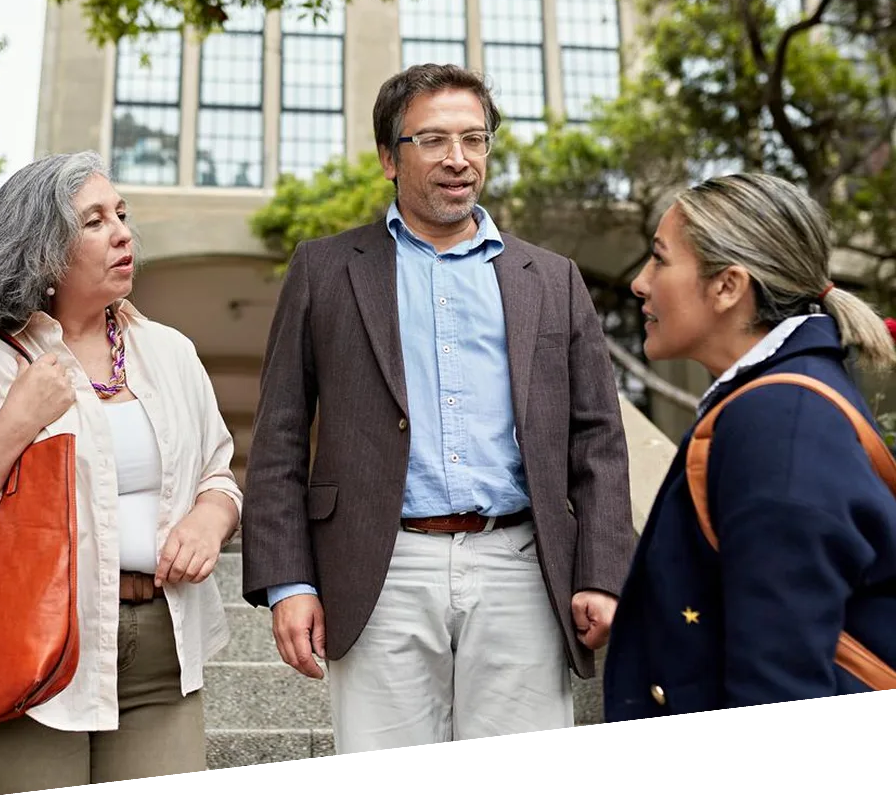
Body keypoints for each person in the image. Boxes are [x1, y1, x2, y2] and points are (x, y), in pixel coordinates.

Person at [241, 63, 636, 756]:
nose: (459, 159)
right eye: (434, 140)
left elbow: (597, 438)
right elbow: (277, 436)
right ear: (390, 157)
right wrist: (289, 582)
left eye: (475, 140)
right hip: (379, 565)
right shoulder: (326, 269)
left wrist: (603, 571)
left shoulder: (552, 277)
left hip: (520, 562)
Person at [0, 152, 242, 797]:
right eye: (93, 221)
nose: (122, 232)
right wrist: (11, 426)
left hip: (161, 651)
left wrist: (211, 516)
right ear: (41, 249)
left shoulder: (169, 352)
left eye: (122, 214)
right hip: (26, 651)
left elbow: (218, 474)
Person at [602, 172, 896, 723]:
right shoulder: (772, 403)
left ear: (728, 286)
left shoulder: (777, 423)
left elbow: (780, 676)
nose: (641, 283)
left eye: (660, 260)